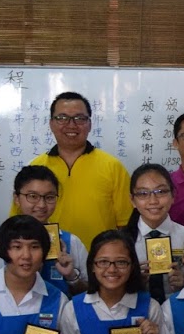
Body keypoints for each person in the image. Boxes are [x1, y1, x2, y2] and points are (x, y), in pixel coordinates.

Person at [23, 92, 132, 242]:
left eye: (79, 118)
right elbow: (20, 221)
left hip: (99, 255)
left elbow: (125, 224)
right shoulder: (35, 168)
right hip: (48, 254)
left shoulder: (113, 167)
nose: (71, 125)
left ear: (90, 124)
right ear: (51, 124)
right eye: (62, 118)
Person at [0, 166, 88, 293]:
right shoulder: (1, 245)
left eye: (49, 197)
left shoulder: (72, 242)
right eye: (33, 196)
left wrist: (71, 277)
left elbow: (91, 294)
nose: (41, 205)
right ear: (16, 198)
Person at [125, 163, 184, 304]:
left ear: (173, 195)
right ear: (132, 200)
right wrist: (132, 283)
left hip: (178, 310)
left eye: (161, 192)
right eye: (143, 194)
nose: (153, 201)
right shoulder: (123, 241)